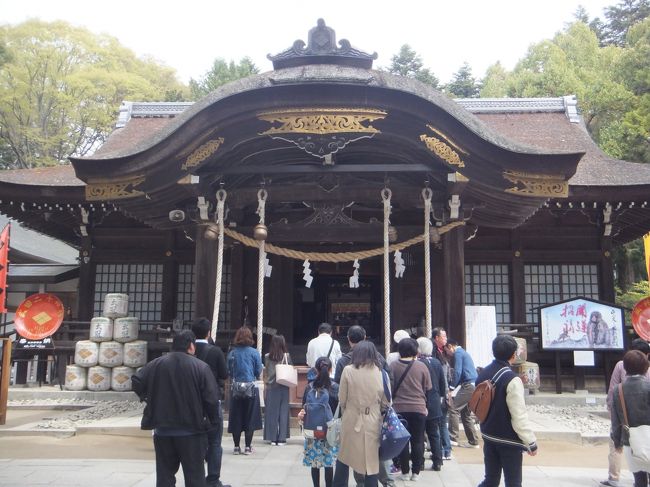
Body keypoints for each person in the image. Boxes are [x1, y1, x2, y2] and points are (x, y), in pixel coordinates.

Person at [132, 330, 219, 487]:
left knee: (165, 477)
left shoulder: (156, 364)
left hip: (163, 430)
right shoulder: (200, 367)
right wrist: (213, 421)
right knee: (195, 477)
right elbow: (211, 399)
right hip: (192, 430)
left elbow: (137, 380)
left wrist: (148, 398)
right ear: (191, 346)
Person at [333, 325, 394, 487]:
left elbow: (342, 399)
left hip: (351, 417)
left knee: (344, 457)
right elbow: (386, 402)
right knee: (371, 462)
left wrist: (349, 410)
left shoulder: (347, 370)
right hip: (373, 419)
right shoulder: (381, 373)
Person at [476, 335, 537, 487]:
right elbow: (518, 414)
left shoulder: (483, 373)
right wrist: (530, 441)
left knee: (490, 479)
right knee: (513, 482)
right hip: (509, 439)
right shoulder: (512, 379)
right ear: (513, 354)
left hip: (488, 434)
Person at [602, 339, 650, 487]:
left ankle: (614, 477)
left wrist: (617, 441)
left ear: (625, 368)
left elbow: (615, 418)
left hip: (630, 438)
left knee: (639, 479)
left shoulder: (619, 390)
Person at [191, 318, 230, 487]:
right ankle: (213, 479)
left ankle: (196, 478)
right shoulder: (214, 351)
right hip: (212, 401)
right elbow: (224, 374)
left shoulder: (188, 351)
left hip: (191, 402)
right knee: (215, 442)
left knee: (194, 441)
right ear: (208, 333)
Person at [389, 337, 432, 482]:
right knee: (418, 440)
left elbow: (390, 388)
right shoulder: (422, 366)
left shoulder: (393, 366)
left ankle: (405, 472)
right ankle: (416, 473)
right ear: (415, 350)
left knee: (403, 441)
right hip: (418, 408)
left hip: (399, 408)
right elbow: (428, 388)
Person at [300, 356, 340, 487]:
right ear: (331, 369)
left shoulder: (309, 387)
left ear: (316, 370)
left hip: (312, 430)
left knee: (314, 463)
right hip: (329, 430)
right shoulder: (334, 387)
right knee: (328, 463)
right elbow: (339, 409)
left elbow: (304, 406)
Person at [226, 325, 263, 455]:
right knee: (250, 417)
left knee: (236, 416)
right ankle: (248, 447)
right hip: (250, 388)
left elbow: (229, 371)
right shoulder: (254, 353)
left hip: (236, 387)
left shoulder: (232, 353)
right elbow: (258, 370)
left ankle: (236, 447)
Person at [417, 336, 447, 471]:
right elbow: (442, 383)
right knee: (434, 433)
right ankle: (438, 461)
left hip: (420, 401)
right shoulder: (436, 362)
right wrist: (440, 396)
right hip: (434, 401)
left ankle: (420, 462)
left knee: (419, 434)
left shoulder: (417, 363)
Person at [446, 339, 480, 448]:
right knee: (465, 413)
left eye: (447, 350)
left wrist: (451, 387)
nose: (448, 353)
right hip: (473, 385)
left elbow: (457, 371)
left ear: (450, 346)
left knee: (453, 409)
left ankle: (453, 438)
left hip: (468, 385)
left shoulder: (458, 353)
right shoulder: (464, 353)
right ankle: (473, 441)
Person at [263, 334, 292, 446]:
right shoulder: (286, 356)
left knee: (271, 412)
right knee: (283, 412)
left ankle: (272, 437)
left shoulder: (267, 356)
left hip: (271, 386)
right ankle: (282, 438)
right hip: (283, 385)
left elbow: (266, 371)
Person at [432, 327, 453, 460]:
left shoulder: (443, 353)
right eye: (443, 336)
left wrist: (447, 391)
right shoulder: (435, 354)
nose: (445, 339)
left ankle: (444, 449)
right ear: (436, 338)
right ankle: (445, 449)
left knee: (440, 422)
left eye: (445, 336)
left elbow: (445, 376)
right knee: (440, 422)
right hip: (440, 391)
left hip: (442, 392)